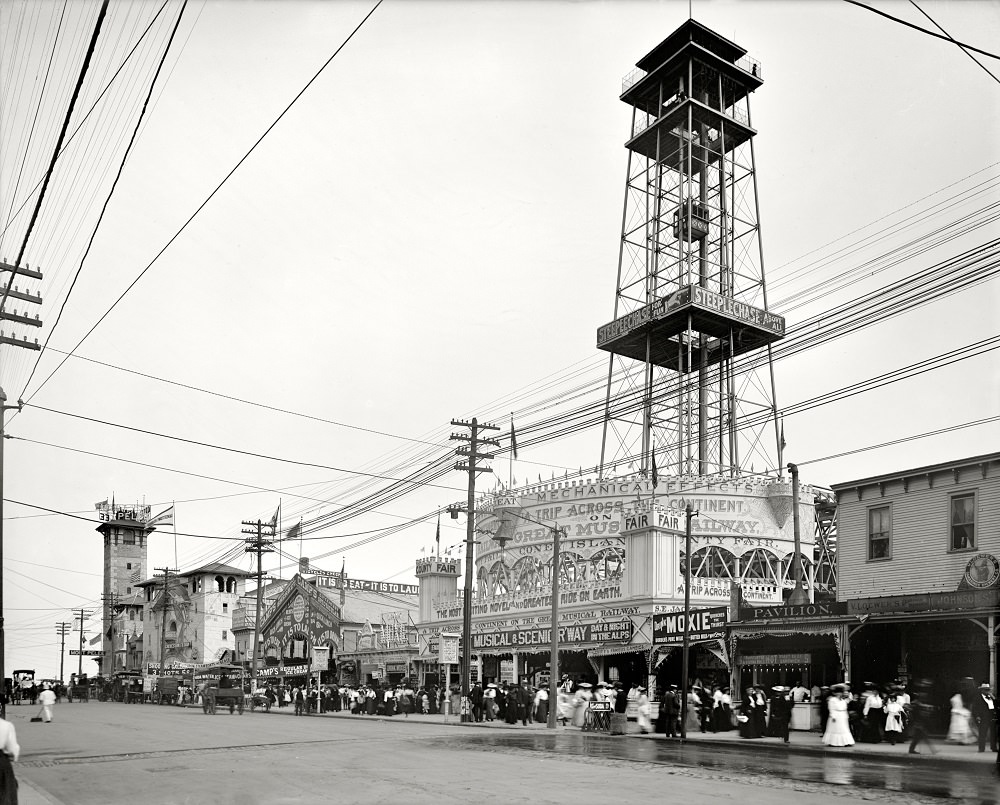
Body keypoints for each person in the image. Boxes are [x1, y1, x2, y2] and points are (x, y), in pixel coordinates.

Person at [971, 682, 998, 753]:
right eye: (985, 690)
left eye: (988, 690)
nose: (987, 691)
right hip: (983, 717)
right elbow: (974, 708)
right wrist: (977, 716)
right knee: (982, 733)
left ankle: (993, 747)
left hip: (992, 716)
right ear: (982, 690)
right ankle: (981, 748)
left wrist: (993, 698)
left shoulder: (991, 697)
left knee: (993, 733)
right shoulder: (978, 698)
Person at [0, 714, 19, 805]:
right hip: (1, 761)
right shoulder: (6, 725)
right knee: (5, 793)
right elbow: (12, 748)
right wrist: (13, 756)